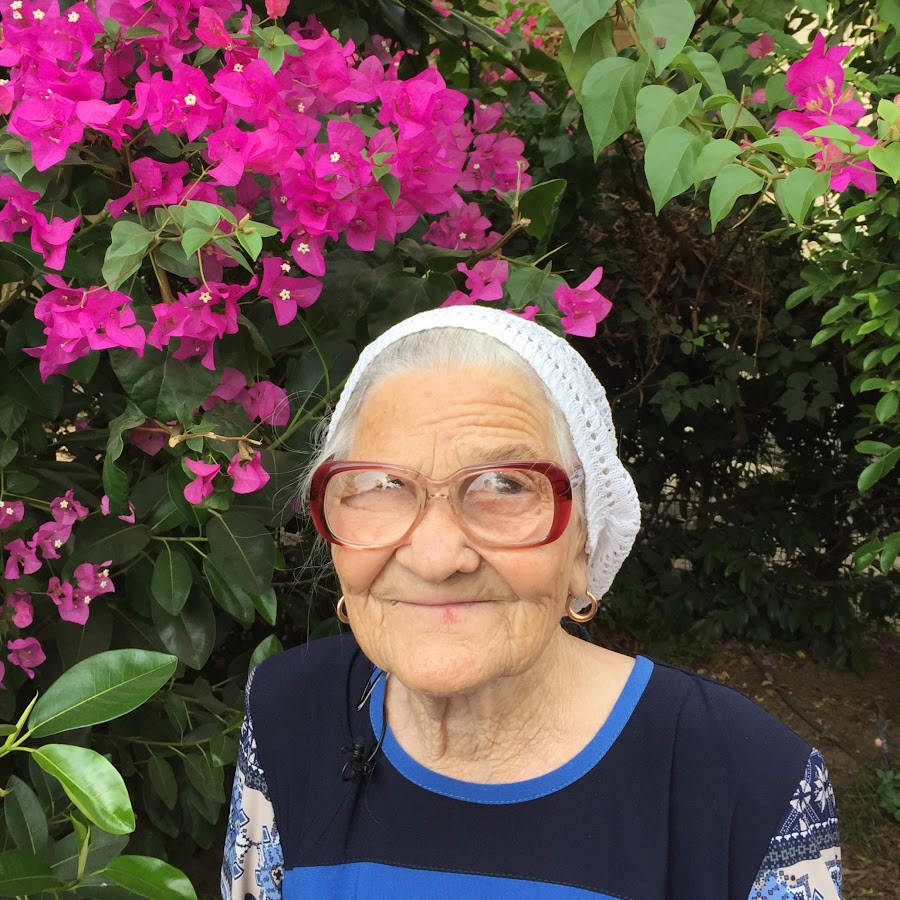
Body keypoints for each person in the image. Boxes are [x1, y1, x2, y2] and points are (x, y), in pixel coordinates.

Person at [221, 305, 841, 900]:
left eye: (504, 484)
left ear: (584, 542)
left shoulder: (751, 780)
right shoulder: (285, 711)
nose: (435, 557)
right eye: (383, 484)